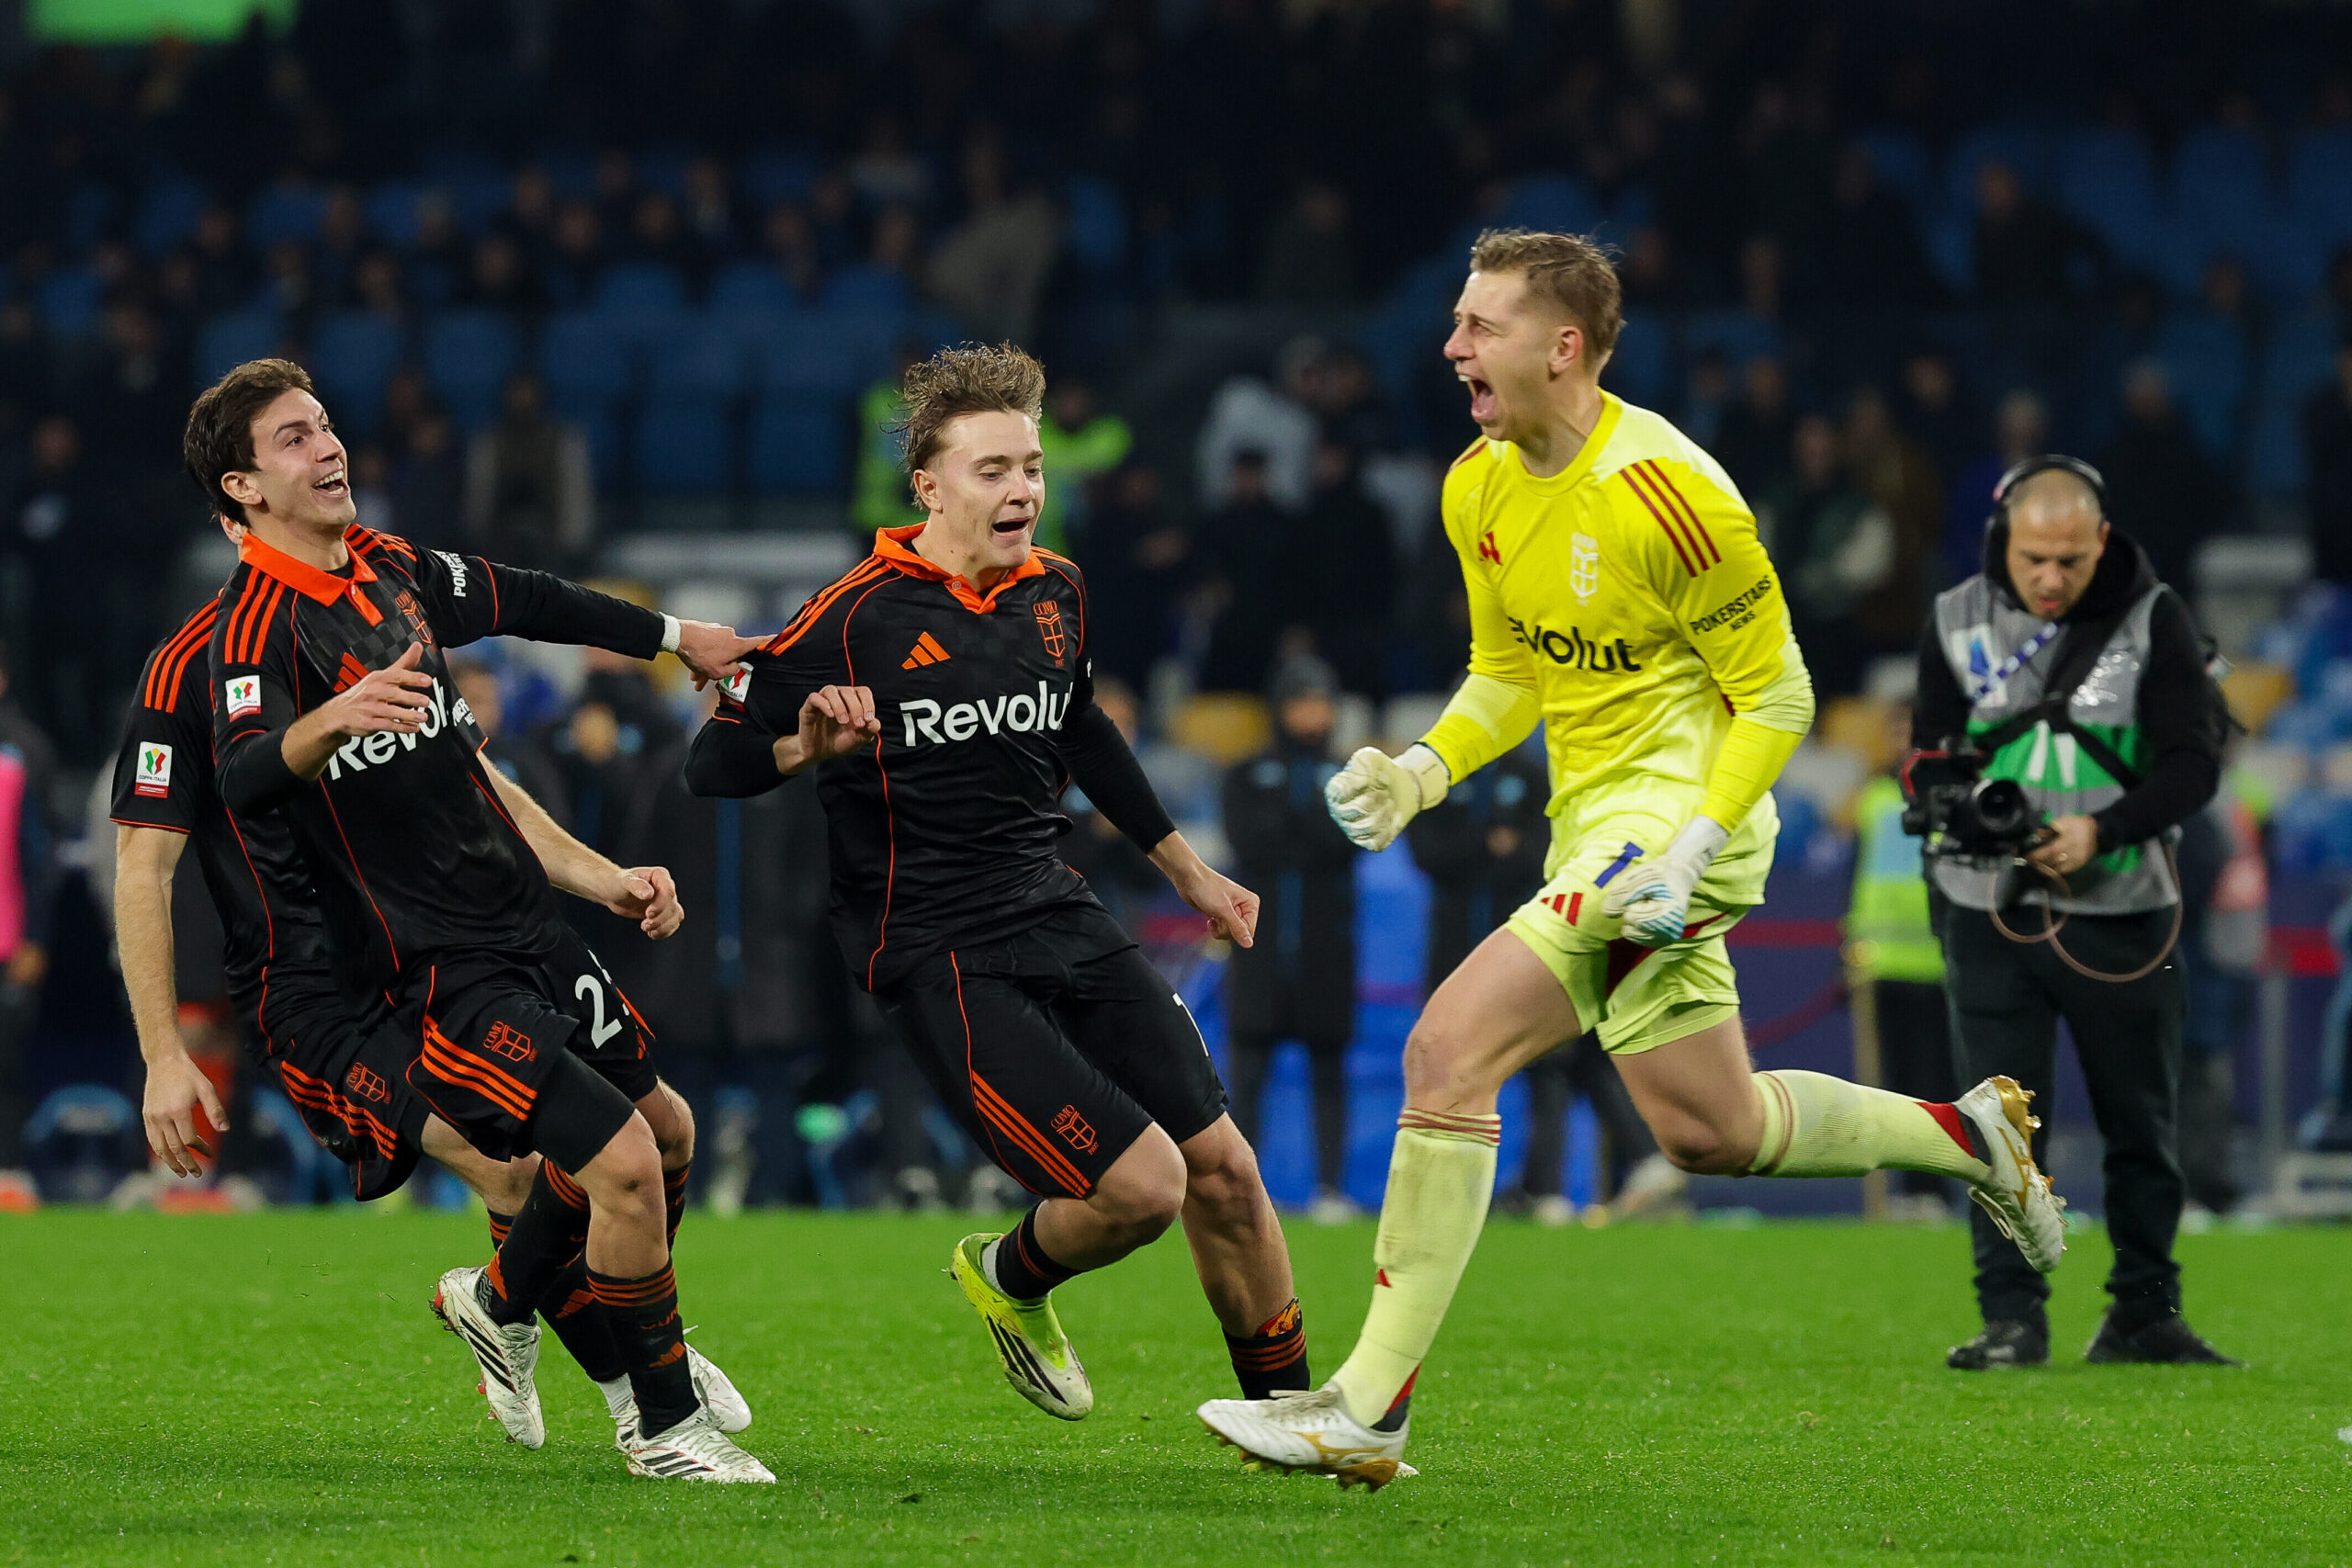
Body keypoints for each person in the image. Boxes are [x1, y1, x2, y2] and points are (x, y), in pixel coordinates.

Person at [1197, 228, 2063, 1489]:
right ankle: (1972, 1136)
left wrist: (1695, 846)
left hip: (1677, 827)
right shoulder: (1475, 485)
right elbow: (1510, 672)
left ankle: (1366, 1408)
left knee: (1448, 1051)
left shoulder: (1671, 490)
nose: (1450, 347)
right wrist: (1424, 769)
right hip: (1593, 824)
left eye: (1479, 326)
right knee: (1710, 1127)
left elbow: (1778, 694)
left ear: (1563, 347)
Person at [684, 344, 1311, 1425]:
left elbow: (1083, 728)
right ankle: (1009, 1274)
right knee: (1145, 1190)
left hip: (1054, 906)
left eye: (1030, 466)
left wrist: (1191, 872)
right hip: (936, 947)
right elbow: (713, 764)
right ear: (928, 487)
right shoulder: (852, 616)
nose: (1021, 488)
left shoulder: (1056, 589)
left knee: (1225, 1169)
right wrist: (803, 749)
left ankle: (1294, 1420)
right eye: (992, 470)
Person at [188, 358, 774, 1480]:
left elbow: (535, 599)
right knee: (622, 1164)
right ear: (244, 489)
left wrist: (677, 634)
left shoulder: (392, 568)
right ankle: (662, 1427)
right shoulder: (251, 629)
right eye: (294, 439)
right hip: (434, 966)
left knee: (672, 1133)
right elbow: (244, 777)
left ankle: (500, 1299)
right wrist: (332, 722)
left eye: (325, 425)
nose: (329, 447)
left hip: (528, 926)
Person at [113, 580, 750, 1445]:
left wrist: (600, 878)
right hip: (316, 992)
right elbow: (142, 863)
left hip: (433, 945)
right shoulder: (186, 670)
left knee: (617, 1137)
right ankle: (638, 1394)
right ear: (242, 511)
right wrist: (162, 1053)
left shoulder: (368, 610)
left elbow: (474, 781)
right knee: (516, 1170)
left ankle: (514, 1309)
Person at [1915, 456, 2236, 1370]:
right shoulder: (1953, 617)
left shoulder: (2155, 618)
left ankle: (2146, 1313)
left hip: (2125, 908)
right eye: (2033, 560)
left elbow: (2195, 763)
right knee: (1997, 1131)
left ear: (2101, 540)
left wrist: (2104, 831)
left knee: (2142, 1125)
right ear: (2002, 541)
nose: (2051, 578)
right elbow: (1925, 756)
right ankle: (2011, 1320)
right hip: (1987, 906)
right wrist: (1951, 806)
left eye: (2070, 559)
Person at [1406, 733, 1672, 1225]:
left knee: (1549, 1064)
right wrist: (1483, 843)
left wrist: (1482, 852)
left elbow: (1543, 855)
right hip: (1457, 948)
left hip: (1529, 945)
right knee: (1452, 1065)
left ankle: (1549, 1187)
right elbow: (1426, 853)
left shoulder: (1533, 775)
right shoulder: (1440, 776)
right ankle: (1476, 1190)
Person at [1220, 655, 1361, 1224]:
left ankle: (1330, 1189)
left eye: (1321, 703)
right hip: (1258, 948)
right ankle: (1242, 1192)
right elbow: (1250, 840)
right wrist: (1308, 832)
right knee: (1248, 1072)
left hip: (1327, 951)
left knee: (1329, 1068)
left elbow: (1348, 843)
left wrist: (1297, 830)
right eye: (1302, 702)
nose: (1312, 714)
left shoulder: (1350, 776)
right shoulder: (1245, 772)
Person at [1843, 697, 1959, 1220]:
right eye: (1896, 731)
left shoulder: (1953, 798)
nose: (1903, 741)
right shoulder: (1872, 797)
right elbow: (1857, 877)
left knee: (1937, 1083)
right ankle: (1905, 1193)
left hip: (1937, 961)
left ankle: (1932, 1189)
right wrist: (1847, 944)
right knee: (1891, 1084)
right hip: (1882, 961)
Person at [0, 642, 55, 1211]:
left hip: (8, 942)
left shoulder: (26, 752)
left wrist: (35, 937)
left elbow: (41, 857)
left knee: (6, 1064)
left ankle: (8, 1170)